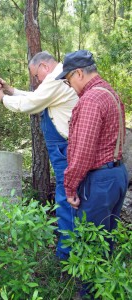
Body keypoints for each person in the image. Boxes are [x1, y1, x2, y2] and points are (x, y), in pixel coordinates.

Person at [0, 51, 78, 260]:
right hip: (64, 146)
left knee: (66, 196)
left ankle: (66, 254)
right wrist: (11, 91)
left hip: (64, 147)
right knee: (68, 194)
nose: (37, 81)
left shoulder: (56, 79)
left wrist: (2, 99)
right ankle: (70, 245)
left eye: (36, 76)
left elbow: (31, 104)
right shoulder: (60, 76)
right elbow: (36, 97)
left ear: (44, 67)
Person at [55, 49, 129, 237]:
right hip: (117, 175)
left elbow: (83, 152)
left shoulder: (90, 100)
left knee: (90, 241)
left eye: (68, 80)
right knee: (106, 238)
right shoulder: (109, 93)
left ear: (78, 73)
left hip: (99, 181)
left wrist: (70, 188)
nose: (69, 86)